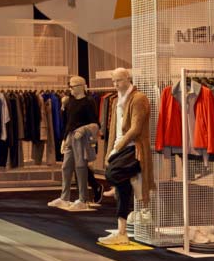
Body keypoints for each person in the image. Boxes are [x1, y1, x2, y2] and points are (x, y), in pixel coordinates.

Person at [98, 67, 153, 245]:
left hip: (133, 148)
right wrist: (110, 151)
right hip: (120, 148)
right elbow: (114, 128)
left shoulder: (139, 98)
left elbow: (136, 128)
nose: (116, 85)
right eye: (113, 81)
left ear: (128, 78)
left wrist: (120, 145)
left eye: (119, 81)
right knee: (120, 185)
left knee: (112, 175)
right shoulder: (116, 101)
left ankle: (134, 201)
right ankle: (122, 231)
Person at [47, 76, 102, 211]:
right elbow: (69, 122)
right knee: (66, 167)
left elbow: (96, 124)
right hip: (71, 136)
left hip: (81, 138)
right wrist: (65, 139)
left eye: (71, 86)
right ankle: (64, 197)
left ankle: (83, 199)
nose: (69, 89)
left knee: (80, 167)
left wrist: (84, 129)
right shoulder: (70, 101)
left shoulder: (88, 102)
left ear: (79, 86)